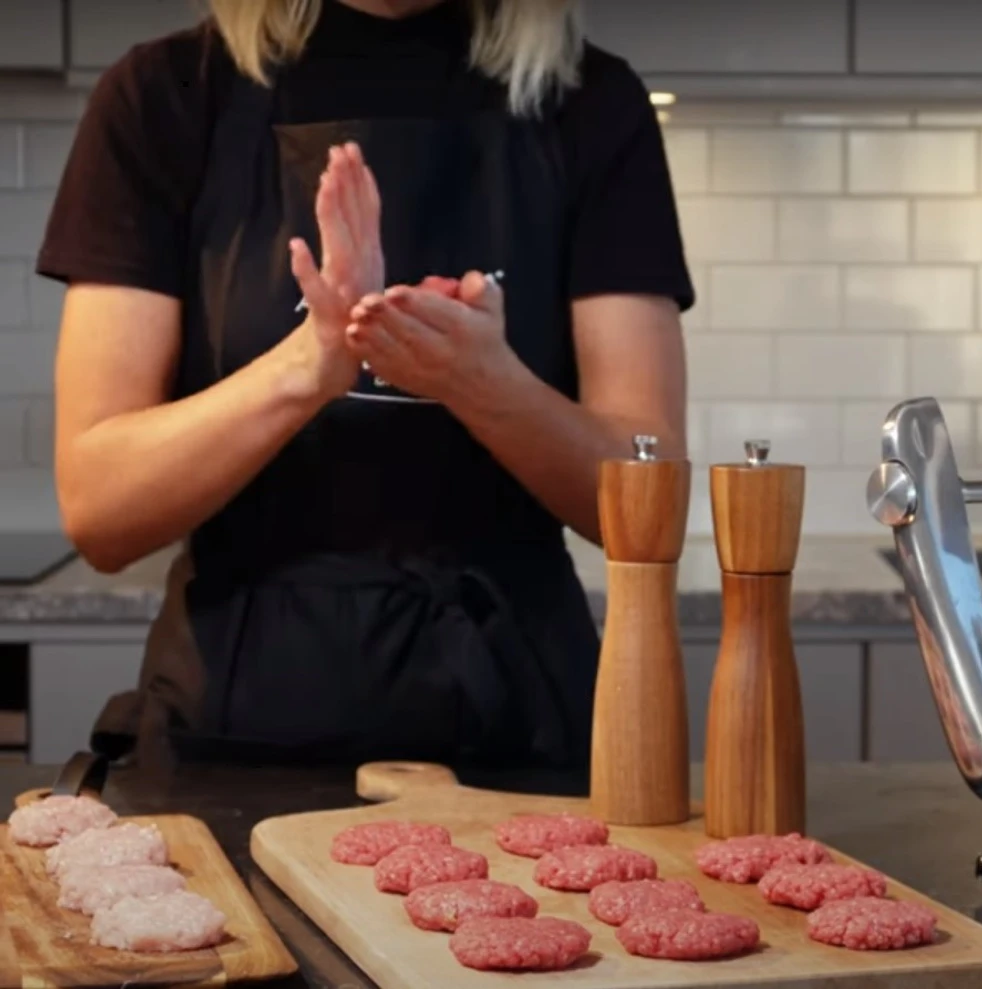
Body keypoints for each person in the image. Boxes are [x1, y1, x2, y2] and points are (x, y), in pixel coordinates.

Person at [36, 0, 694, 773]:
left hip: (522, 734)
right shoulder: (165, 95)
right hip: (233, 736)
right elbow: (101, 509)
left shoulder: (591, 102)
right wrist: (310, 365)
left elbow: (653, 501)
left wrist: (488, 386)